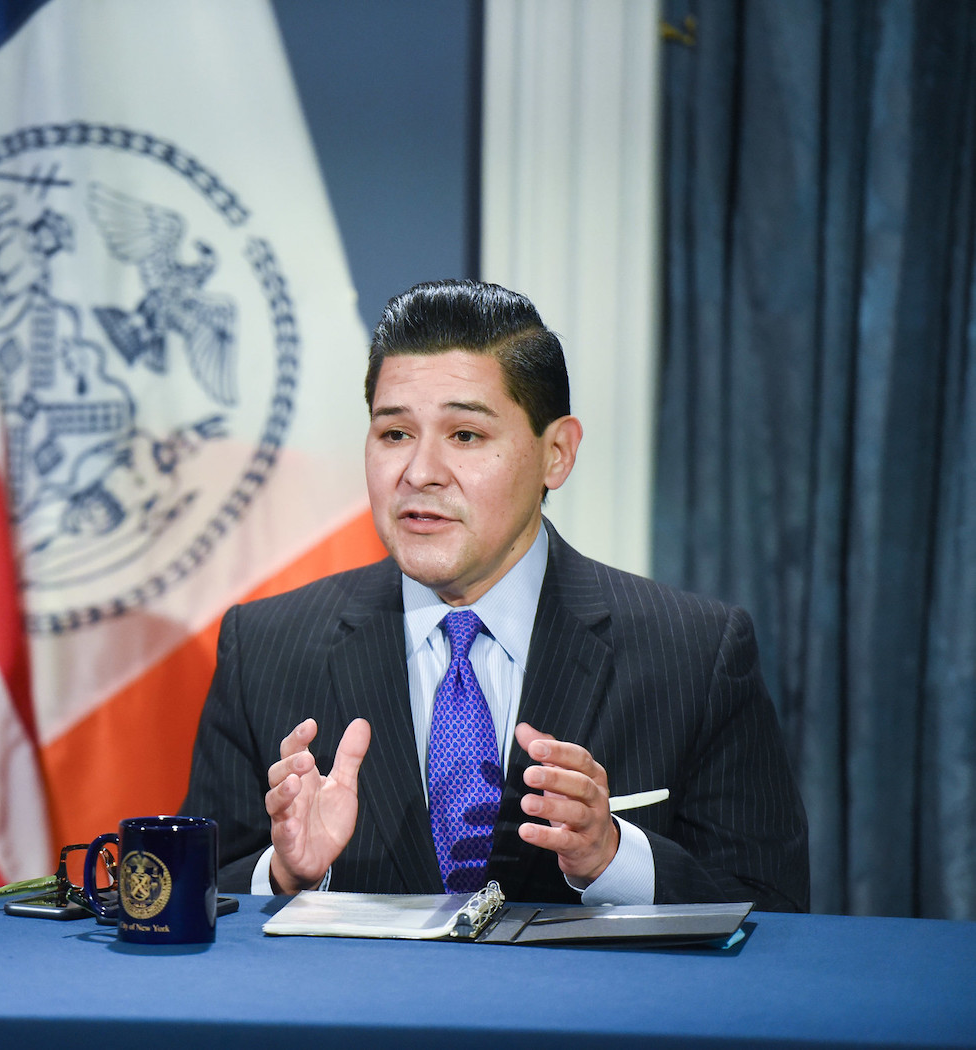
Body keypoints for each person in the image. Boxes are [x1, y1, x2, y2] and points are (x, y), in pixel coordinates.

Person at [181, 279, 809, 910]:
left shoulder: (694, 654)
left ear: (556, 455)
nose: (419, 472)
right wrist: (285, 875)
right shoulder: (263, 648)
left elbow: (774, 915)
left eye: (465, 436)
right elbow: (187, 897)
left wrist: (613, 859)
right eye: (394, 433)